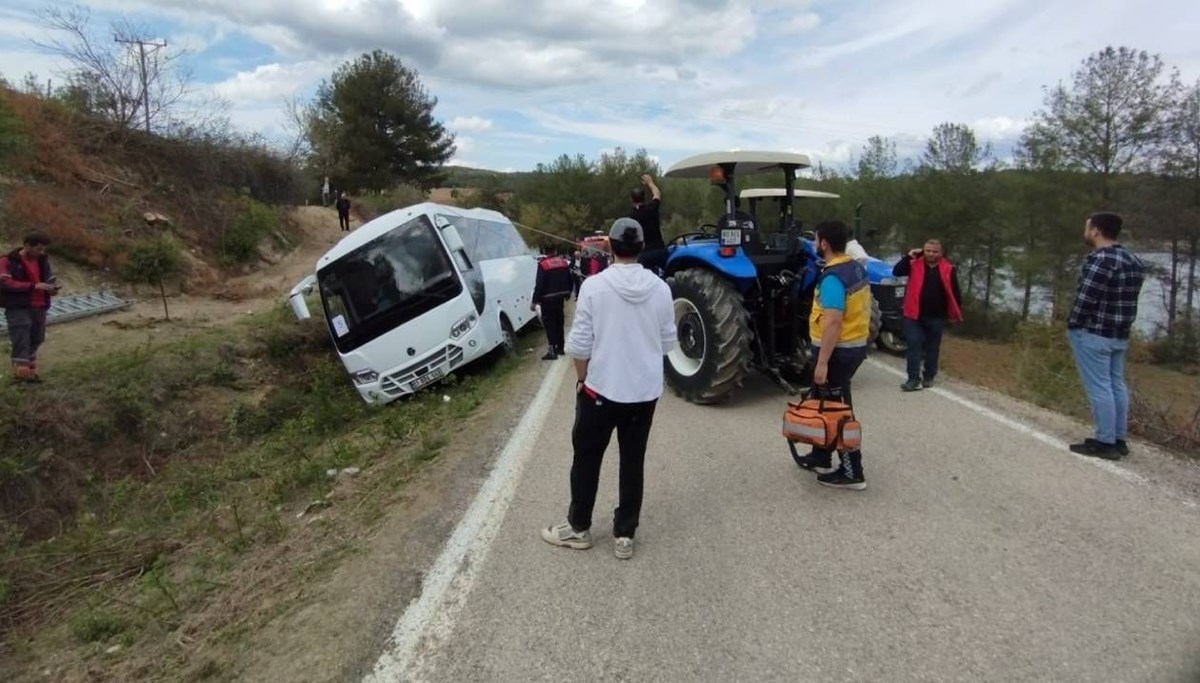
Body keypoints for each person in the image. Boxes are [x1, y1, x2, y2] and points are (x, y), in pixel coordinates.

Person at [541, 217, 677, 560]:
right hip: (644, 394)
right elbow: (666, 343)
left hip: (600, 391)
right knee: (633, 461)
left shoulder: (594, 287)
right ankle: (624, 534)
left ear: (611, 248)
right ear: (642, 248)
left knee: (586, 458)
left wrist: (583, 380)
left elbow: (580, 346)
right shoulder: (661, 289)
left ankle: (579, 527)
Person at [792, 221, 872, 490]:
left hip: (838, 353)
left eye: (816, 238)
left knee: (838, 411)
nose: (815, 242)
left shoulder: (833, 277)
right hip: (854, 347)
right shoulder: (854, 267)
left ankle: (852, 471)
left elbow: (833, 322)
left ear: (824, 243)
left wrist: (823, 362)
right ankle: (821, 455)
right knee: (823, 403)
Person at [1066, 212, 1145, 460]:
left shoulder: (1101, 259)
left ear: (1096, 230)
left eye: (1087, 227)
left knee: (1100, 387)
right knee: (1115, 385)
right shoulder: (1133, 260)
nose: (1086, 231)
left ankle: (1105, 441)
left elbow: (1086, 297)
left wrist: (1073, 324)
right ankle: (1118, 437)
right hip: (1119, 333)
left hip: (1094, 332)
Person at [892, 239, 963, 391]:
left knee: (932, 348)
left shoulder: (948, 269)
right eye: (928, 251)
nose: (931, 254)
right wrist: (908, 257)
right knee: (913, 344)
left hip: (936, 316)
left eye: (934, 251)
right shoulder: (913, 264)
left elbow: (955, 293)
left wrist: (955, 313)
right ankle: (913, 379)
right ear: (923, 251)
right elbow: (896, 272)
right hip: (913, 314)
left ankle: (929, 376)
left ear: (940, 253)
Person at [1, 232, 60, 383]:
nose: (41, 252)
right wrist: (33, 286)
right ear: (27, 245)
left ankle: (31, 373)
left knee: (37, 338)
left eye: (43, 249)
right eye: (39, 249)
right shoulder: (7, 261)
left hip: (39, 306)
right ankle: (21, 376)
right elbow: (5, 283)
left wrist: (51, 288)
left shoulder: (42, 261)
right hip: (17, 306)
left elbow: (48, 278)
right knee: (21, 338)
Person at [531, 248, 573, 360]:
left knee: (550, 325)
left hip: (547, 300)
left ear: (545, 252)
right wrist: (568, 292)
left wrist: (534, 301)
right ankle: (560, 348)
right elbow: (570, 278)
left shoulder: (543, 265)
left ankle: (552, 351)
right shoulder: (563, 262)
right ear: (555, 251)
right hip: (560, 298)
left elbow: (539, 284)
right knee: (559, 323)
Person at [630, 175, 666, 274]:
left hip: (645, 253)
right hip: (659, 250)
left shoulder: (631, 216)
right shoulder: (652, 208)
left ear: (631, 200)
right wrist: (650, 183)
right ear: (644, 198)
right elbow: (657, 194)